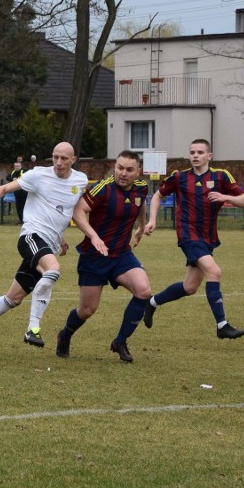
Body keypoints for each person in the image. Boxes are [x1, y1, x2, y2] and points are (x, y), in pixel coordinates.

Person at [0, 142, 88, 356]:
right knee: (53, 269)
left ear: (73, 160)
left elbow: (61, 210)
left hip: (48, 244)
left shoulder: (80, 180)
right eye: (55, 157)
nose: (59, 162)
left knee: (13, 298)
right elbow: (4, 188)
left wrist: (61, 238)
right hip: (31, 237)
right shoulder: (38, 175)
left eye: (64, 158)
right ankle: (33, 329)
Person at [143, 139, 244, 339]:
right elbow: (157, 196)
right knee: (215, 272)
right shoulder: (179, 177)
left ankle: (151, 303)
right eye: (192, 152)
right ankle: (222, 325)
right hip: (188, 235)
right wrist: (152, 220)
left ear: (209, 156)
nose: (195, 155)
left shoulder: (221, 176)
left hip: (207, 237)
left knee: (189, 287)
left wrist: (225, 197)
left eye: (200, 152)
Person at [56, 150, 151, 362]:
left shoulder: (142, 188)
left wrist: (142, 226)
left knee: (144, 291)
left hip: (121, 255)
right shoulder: (103, 189)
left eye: (128, 169)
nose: (123, 173)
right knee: (87, 310)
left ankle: (120, 341)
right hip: (94, 256)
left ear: (138, 172)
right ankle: (65, 334)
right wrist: (94, 237)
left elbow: (141, 203)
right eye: (119, 168)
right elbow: (78, 212)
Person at [6, 156, 28, 222]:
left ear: (21, 166)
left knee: (25, 206)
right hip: (17, 192)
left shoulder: (24, 171)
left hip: (24, 191)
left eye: (18, 166)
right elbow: (7, 177)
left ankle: (26, 220)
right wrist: (12, 179)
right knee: (18, 206)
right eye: (15, 166)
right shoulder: (13, 173)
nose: (17, 167)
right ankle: (21, 220)